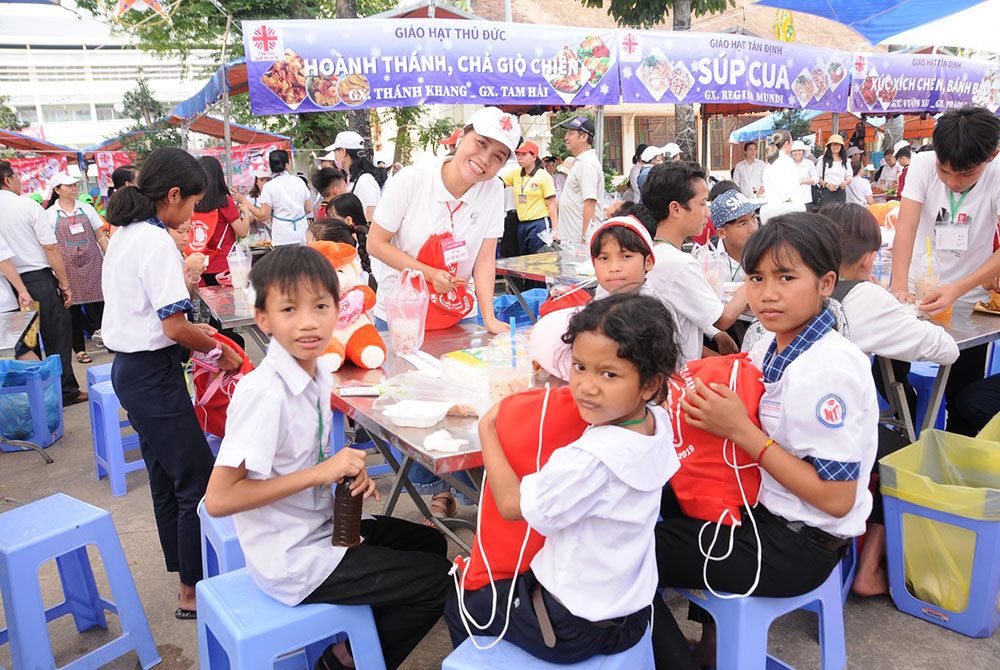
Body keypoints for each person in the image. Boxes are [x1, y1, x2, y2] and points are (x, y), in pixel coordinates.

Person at [204, 246, 450, 670]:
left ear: (340, 310)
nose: (307, 322)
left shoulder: (316, 372)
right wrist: (322, 471)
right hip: (294, 555)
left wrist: (345, 474)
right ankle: (343, 663)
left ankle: (359, 635)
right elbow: (219, 499)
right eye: (288, 308)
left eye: (320, 305)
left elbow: (304, 459)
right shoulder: (264, 393)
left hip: (323, 525)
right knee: (435, 584)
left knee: (432, 544)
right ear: (263, 318)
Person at [652, 212, 879, 668]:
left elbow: (836, 499)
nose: (767, 293)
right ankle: (711, 648)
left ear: (826, 283)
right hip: (764, 513)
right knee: (644, 501)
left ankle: (680, 661)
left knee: (621, 551)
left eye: (786, 277)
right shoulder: (768, 343)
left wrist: (741, 431)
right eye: (756, 277)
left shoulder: (828, 369)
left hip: (798, 544)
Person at [445, 292, 683, 664]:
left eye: (608, 374)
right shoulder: (657, 423)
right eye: (579, 367)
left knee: (462, 603)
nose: (586, 386)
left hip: (568, 625)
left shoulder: (589, 461)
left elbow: (510, 506)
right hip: (632, 615)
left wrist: (488, 428)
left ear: (650, 384)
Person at [102, 147, 243, 619]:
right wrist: (218, 350)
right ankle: (192, 590)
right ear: (175, 195)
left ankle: (184, 574)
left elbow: (158, 311)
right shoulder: (154, 239)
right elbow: (173, 327)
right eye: (192, 204)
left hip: (134, 370)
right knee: (198, 481)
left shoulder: (126, 233)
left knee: (167, 478)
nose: (193, 214)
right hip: (150, 373)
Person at [368, 106, 521, 521]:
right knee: (412, 411)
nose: (485, 160)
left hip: (457, 316)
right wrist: (425, 272)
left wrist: (488, 318)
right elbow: (376, 243)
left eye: (499, 156)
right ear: (462, 135)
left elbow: (486, 257)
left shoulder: (493, 191)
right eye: (481, 144)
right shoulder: (411, 181)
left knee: (462, 407)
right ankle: (434, 490)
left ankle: (454, 492)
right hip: (404, 317)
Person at [821, 202, 959, 597]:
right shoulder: (866, 297)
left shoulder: (797, 284)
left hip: (784, 429)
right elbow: (945, 350)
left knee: (890, 416)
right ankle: (868, 571)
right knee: (905, 452)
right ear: (869, 259)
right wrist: (904, 315)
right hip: (836, 434)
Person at [889, 105, 1000, 436]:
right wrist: (898, 286)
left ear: (992, 155)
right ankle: (905, 433)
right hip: (916, 293)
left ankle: (953, 461)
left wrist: (959, 289)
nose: (953, 182)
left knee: (962, 395)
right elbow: (906, 228)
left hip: (968, 302)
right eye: (945, 171)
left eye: (966, 174)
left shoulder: (997, 174)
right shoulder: (922, 164)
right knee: (891, 374)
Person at [637, 162, 749, 363]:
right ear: (676, 209)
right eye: (702, 203)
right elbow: (723, 319)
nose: (708, 213)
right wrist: (750, 286)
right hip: (680, 376)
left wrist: (716, 335)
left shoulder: (654, 253)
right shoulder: (678, 263)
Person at [0, 160, 84, 404]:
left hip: (8, 285)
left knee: (24, 342)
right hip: (37, 279)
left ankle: (39, 394)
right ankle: (65, 391)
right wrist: (64, 283)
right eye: (15, 176)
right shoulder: (27, 206)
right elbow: (50, 247)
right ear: (7, 179)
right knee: (56, 334)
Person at [45, 172, 108, 363]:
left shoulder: (86, 209)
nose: (74, 188)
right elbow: (50, 245)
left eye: (75, 185)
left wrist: (111, 256)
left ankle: (109, 339)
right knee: (72, 308)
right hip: (67, 266)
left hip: (92, 262)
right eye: (68, 185)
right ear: (57, 190)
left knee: (101, 302)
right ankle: (79, 349)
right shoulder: (50, 215)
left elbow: (99, 236)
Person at [192, 156, 250, 287]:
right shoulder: (224, 201)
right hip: (224, 266)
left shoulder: (194, 201)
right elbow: (242, 232)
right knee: (225, 305)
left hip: (200, 264)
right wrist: (245, 213)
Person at [234, 150, 310, 247]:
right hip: (302, 234)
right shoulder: (300, 182)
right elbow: (308, 208)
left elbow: (264, 215)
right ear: (288, 165)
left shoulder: (269, 186)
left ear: (271, 167)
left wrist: (244, 201)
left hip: (282, 237)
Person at [502, 141, 559, 256]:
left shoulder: (543, 176)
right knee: (524, 259)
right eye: (518, 155)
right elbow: (499, 182)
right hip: (521, 223)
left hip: (539, 223)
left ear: (534, 157)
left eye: (524, 155)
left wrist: (555, 230)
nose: (519, 158)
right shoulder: (515, 174)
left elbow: (551, 204)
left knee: (539, 258)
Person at [554, 116, 604, 244]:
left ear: (584, 137)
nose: (566, 137)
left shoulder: (587, 163)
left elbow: (590, 202)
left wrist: (585, 239)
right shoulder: (580, 161)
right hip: (571, 240)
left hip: (579, 243)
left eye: (571, 133)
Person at [590, 215, 657, 297]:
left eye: (626, 257)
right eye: (604, 258)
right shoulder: (598, 302)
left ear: (648, 262)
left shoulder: (654, 308)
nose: (614, 268)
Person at [703, 188, 761, 283]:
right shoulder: (707, 258)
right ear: (722, 233)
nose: (753, 228)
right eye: (742, 224)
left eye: (753, 218)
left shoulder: (768, 252)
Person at [328, 131, 386, 222]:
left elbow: (369, 218)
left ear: (343, 152)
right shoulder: (352, 179)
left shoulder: (365, 181)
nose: (334, 155)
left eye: (335, 151)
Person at [760, 130, 806, 223]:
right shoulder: (786, 162)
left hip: (771, 209)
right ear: (786, 143)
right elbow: (787, 190)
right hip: (786, 210)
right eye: (792, 141)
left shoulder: (770, 164)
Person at [816, 134, 853, 206]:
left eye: (838, 145)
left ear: (841, 146)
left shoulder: (846, 161)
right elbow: (817, 177)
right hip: (827, 192)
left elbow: (849, 176)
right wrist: (826, 184)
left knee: (840, 214)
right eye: (833, 145)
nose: (835, 147)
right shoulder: (823, 160)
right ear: (829, 146)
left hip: (841, 192)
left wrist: (845, 183)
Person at [791, 140, 817, 210]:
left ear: (803, 152)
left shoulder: (809, 163)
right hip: (791, 201)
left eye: (799, 150)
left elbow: (816, 179)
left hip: (806, 199)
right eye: (794, 151)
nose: (797, 153)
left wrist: (804, 181)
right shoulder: (788, 164)